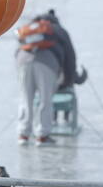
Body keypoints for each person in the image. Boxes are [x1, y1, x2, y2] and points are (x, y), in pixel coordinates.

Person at [15, 10, 85, 146]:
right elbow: (70, 58)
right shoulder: (58, 30)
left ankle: (23, 134)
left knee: (25, 99)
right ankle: (42, 136)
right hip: (47, 64)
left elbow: (18, 50)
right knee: (45, 100)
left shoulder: (29, 29)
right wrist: (69, 80)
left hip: (22, 62)